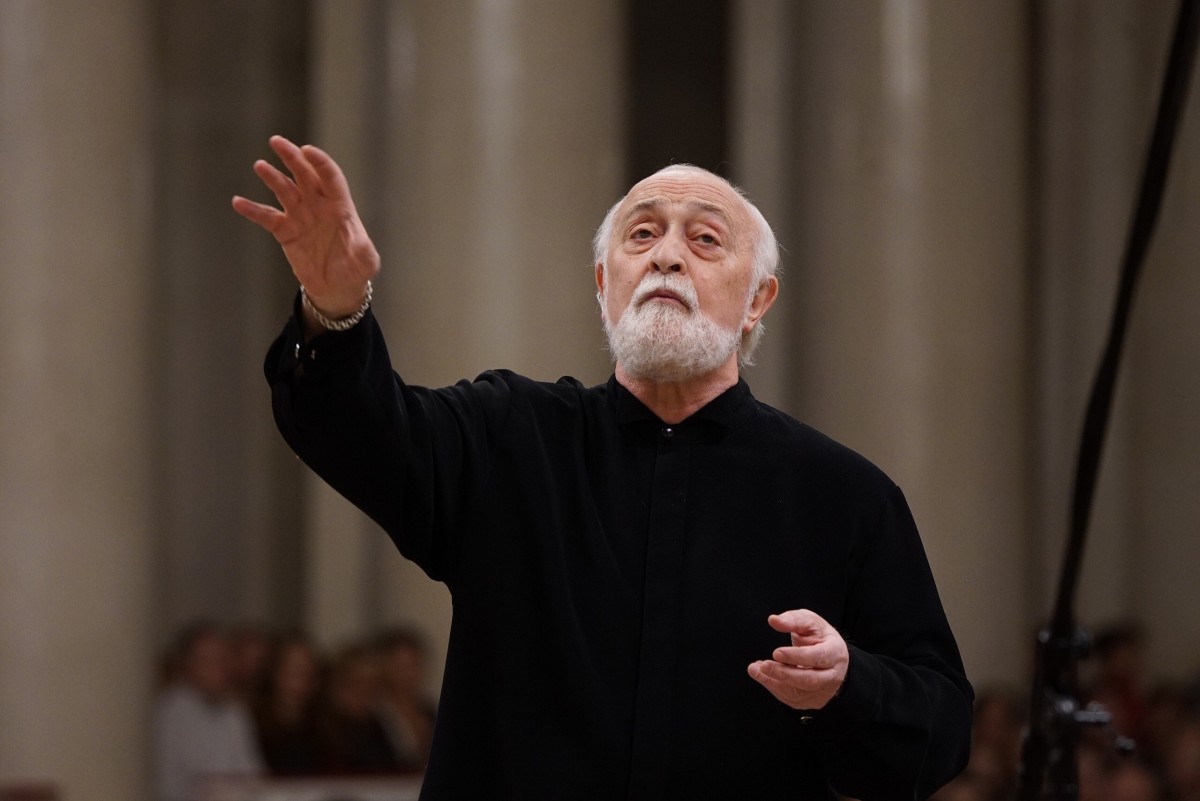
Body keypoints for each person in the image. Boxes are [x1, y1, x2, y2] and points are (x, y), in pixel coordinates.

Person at [233, 135, 974, 799]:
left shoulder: (843, 495)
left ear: (758, 300)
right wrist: (335, 309)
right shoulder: (509, 438)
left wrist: (849, 682)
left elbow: (940, 732)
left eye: (706, 239)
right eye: (642, 234)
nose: (667, 255)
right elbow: (358, 431)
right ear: (603, 285)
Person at [152, 622, 264, 801]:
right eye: (209, 661)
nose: (217, 669)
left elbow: (251, 773)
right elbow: (168, 784)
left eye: (221, 660)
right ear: (188, 664)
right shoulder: (170, 711)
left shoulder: (235, 711)